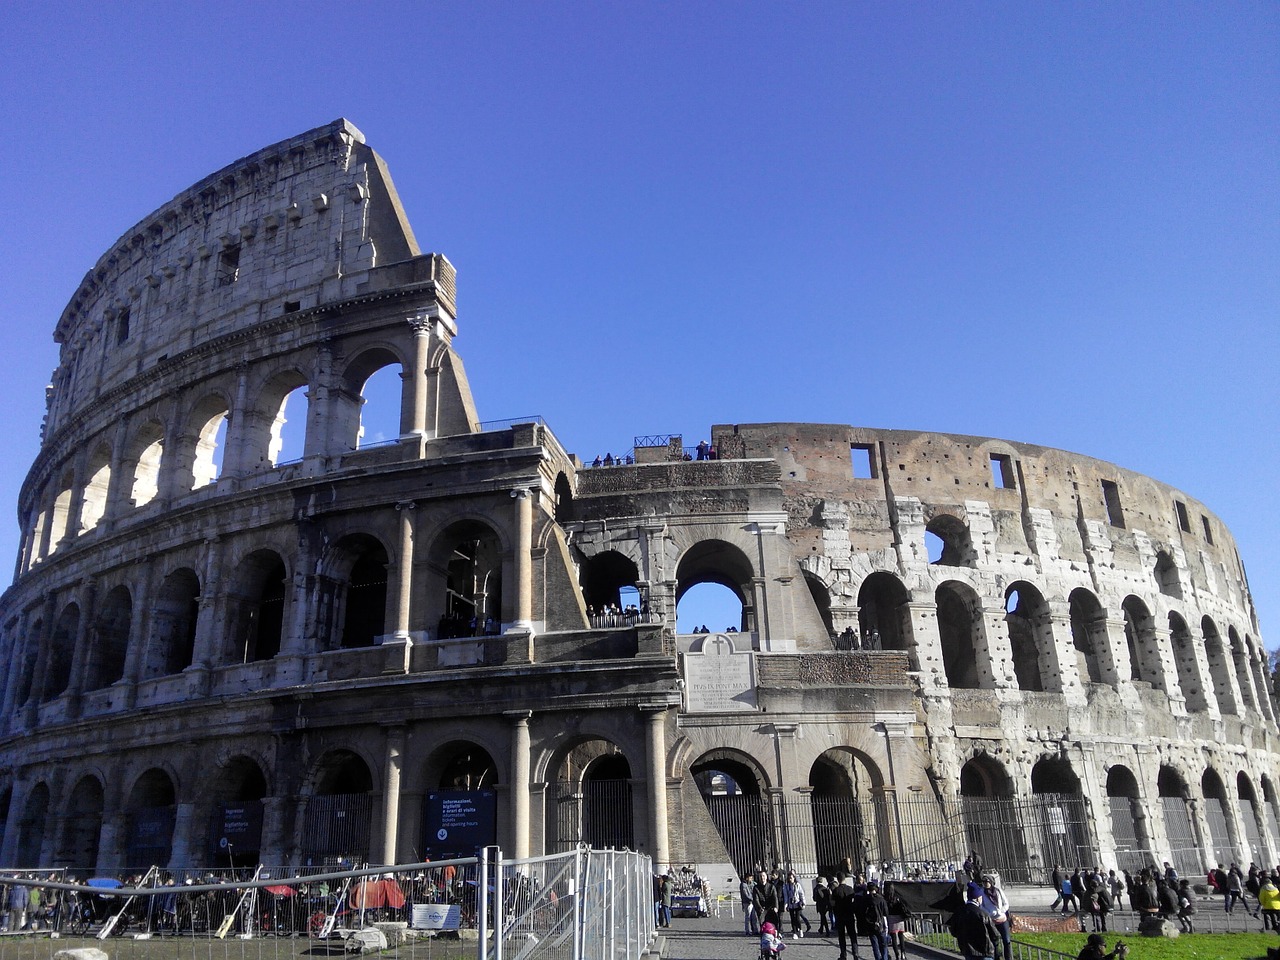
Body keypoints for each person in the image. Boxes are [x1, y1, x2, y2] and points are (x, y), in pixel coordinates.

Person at [950, 881, 999, 960]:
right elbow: (995, 934)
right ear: (977, 898)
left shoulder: (959, 912)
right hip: (984, 951)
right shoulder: (982, 914)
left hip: (967, 950)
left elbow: (953, 931)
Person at [981, 877, 1013, 960]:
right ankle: (997, 957)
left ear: (991, 882)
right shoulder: (982, 892)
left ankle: (1008, 958)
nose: (985, 883)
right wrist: (988, 913)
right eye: (983, 882)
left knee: (1006, 940)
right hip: (992, 921)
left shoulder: (998, 891)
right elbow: (981, 906)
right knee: (994, 942)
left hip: (1002, 920)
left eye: (986, 881)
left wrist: (1001, 911)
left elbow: (1006, 903)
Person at [856, 881, 889, 960]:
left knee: (875, 945)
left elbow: (862, 912)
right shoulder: (881, 899)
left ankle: (877, 958)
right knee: (883, 944)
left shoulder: (865, 899)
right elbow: (886, 913)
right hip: (880, 923)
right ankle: (885, 958)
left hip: (870, 924)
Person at [831, 875, 860, 960]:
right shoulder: (850, 889)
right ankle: (855, 953)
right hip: (849, 914)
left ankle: (843, 955)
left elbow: (833, 904)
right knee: (852, 935)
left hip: (840, 915)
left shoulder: (836, 890)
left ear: (838, 879)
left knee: (841, 936)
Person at [883, 882, 913, 960]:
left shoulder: (885, 898)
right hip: (900, 918)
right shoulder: (897, 897)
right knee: (901, 936)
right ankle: (903, 953)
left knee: (894, 938)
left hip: (891, 918)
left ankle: (897, 954)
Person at [783, 870, 810, 938]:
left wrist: (803, 903)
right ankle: (794, 932)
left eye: (791, 878)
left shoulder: (797, 885)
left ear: (794, 878)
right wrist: (786, 904)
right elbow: (786, 896)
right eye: (789, 878)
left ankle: (800, 929)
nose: (790, 879)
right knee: (792, 919)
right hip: (791, 904)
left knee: (797, 918)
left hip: (797, 903)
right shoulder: (786, 886)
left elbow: (801, 894)